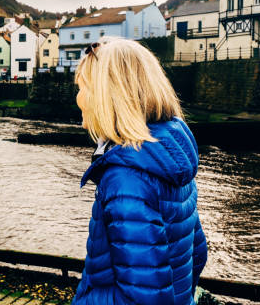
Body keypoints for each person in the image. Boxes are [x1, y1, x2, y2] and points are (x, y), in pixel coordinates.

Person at [72, 37, 207, 305]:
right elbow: (198, 253)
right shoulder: (168, 158)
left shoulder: (125, 180)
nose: (78, 98)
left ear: (106, 95)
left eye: (83, 88)